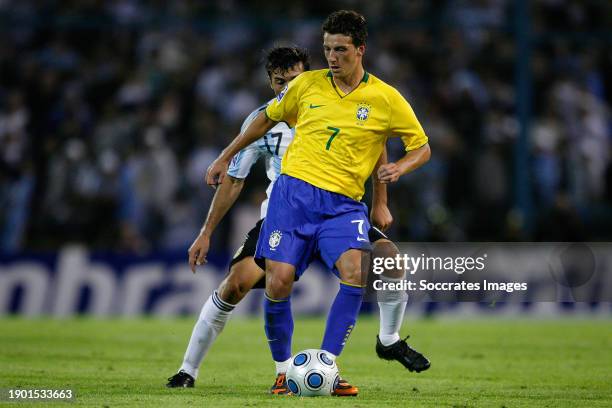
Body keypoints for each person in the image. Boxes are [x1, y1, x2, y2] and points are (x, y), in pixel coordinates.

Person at [205, 10, 431, 394]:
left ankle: (327, 368)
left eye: (340, 49)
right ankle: (282, 371)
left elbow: (421, 147)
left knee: (356, 273)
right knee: (278, 281)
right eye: (327, 48)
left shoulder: (386, 99)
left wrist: (398, 170)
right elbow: (263, 118)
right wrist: (226, 155)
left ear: (360, 50)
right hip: (292, 198)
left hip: (342, 206)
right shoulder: (306, 85)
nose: (331, 57)